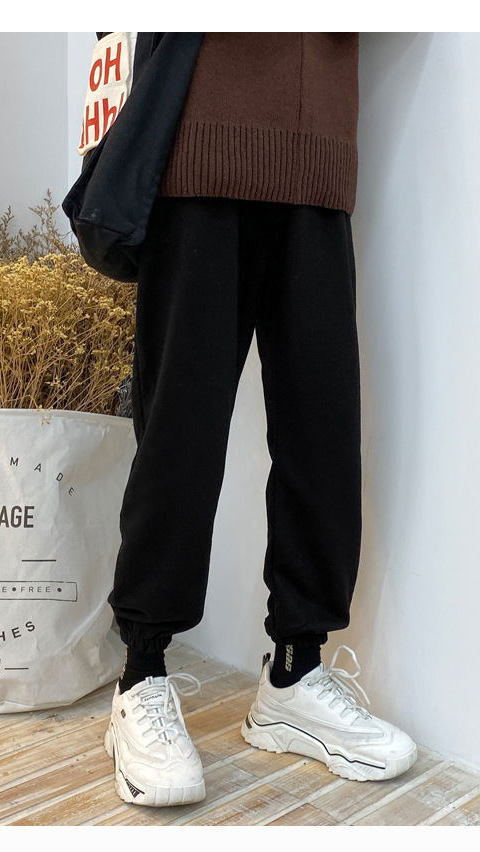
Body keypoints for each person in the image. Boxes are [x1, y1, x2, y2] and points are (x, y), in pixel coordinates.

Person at [100, 32, 418, 807]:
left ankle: (294, 675)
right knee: (181, 432)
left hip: (318, 159)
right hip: (200, 145)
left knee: (324, 433)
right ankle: (141, 675)